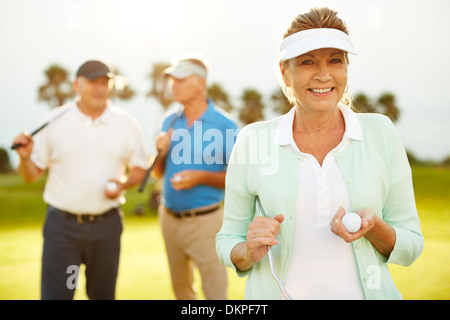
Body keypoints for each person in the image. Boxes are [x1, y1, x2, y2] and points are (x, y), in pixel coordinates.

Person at [216, 7, 424, 300]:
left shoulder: (381, 133)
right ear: (285, 73)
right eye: (308, 62)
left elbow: (411, 244)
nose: (324, 74)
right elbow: (227, 241)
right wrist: (248, 251)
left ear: (346, 68)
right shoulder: (253, 140)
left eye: (335, 60)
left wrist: (374, 227)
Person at [12, 60, 149, 300]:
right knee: (61, 294)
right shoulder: (54, 120)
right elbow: (32, 174)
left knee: (102, 295)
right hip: (63, 231)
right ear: (76, 85)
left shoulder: (126, 123)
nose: (100, 88)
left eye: (104, 82)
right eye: (93, 82)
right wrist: (25, 159)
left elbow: (139, 168)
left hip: (106, 228)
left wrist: (122, 184)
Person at [153, 56, 238, 300]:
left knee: (214, 292)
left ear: (200, 83)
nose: (173, 85)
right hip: (169, 219)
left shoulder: (225, 125)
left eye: (180, 80)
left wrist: (200, 177)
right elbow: (159, 172)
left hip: (206, 222)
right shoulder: (169, 121)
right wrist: (159, 152)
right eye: (172, 80)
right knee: (181, 292)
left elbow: (237, 179)